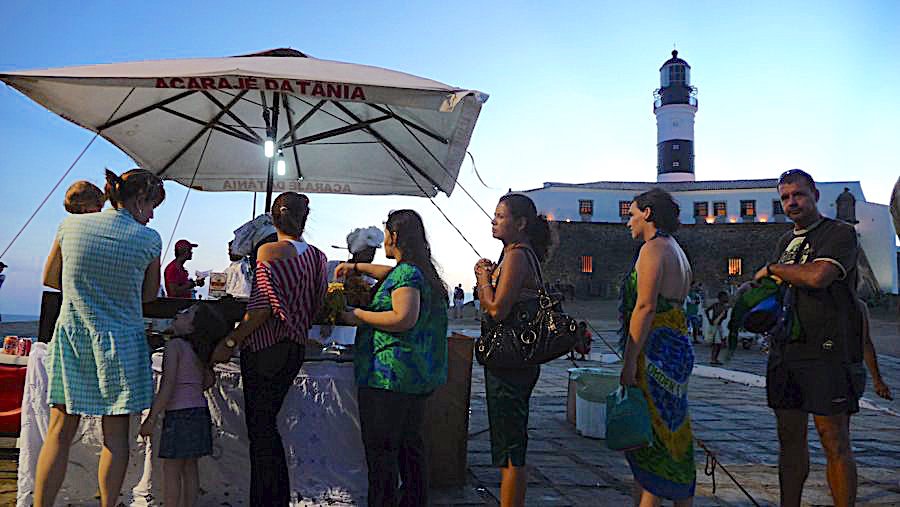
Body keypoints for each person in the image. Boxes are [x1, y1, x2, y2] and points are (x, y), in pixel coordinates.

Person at [34, 168, 165, 507]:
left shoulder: (70, 226)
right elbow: (149, 295)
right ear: (139, 199)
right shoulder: (149, 239)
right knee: (115, 438)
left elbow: (51, 278)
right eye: (152, 206)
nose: (151, 215)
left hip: (74, 336)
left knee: (59, 431)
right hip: (121, 342)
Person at [210, 192, 327, 507]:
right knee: (268, 429)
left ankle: (266, 500)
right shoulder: (317, 257)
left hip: (264, 349)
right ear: (304, 218)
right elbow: (318, 304)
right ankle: (275, 498)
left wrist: (230, 341)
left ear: (273, 219)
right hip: (294, 349)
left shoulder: (268, 251)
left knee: (261, 433)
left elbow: (260, 309)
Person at [753, 169, 861, 507]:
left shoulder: (839, 233)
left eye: (798, 194)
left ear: (815, 195)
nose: (791, 202)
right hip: (787, 350)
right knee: (789, 439)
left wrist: (773, 269)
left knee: (834, 439)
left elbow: (818, 275)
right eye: (785, 197)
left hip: (826, 348)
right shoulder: (785, 242)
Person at [336, 209, 448, 507]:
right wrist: (356, 267)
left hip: (390, 378)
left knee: (383, 455)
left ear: (395, 236)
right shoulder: (417, 272)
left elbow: (403, 317)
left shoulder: (409, 273)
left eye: (386, 233)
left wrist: (358, 315)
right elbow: (392, 276)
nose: (384, 239)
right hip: (413, 378)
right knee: (410, 449)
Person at [620, 188, 696, 505]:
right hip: (677, 347)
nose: (628, 222)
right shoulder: (678, 251)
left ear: (648, 213)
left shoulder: (652, 250)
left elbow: (645, 308)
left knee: (653, 441)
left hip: (655, 350)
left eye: (632, 214)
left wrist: (628, 363)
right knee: (674, 430)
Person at [473, 193, 549, 507]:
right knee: (509, 441)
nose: (494, 220)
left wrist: (482, 279)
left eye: (501, 216)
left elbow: (496, 309)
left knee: (510, 448)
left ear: (520, 223)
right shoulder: (517, 254)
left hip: (510, 362)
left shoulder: (517, 255)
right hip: (517, 359)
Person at [139, 302, 229, 507]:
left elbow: (167, 386)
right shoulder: (199, 351)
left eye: (187, 313)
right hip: (199, 413)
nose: (180, 312)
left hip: (179, 416)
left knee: (171, 470)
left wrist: (151, 418)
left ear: (191, 328)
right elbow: (208, 382)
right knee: (190, 468)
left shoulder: (174, 346)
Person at [857, 298, 892, 401]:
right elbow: (866, 343)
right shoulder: (858, 306)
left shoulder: (857, 306)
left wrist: (877, 380)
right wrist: (877, 380)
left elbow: (866, 343)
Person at [705, 291, 729, 365]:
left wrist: (724, 313)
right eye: (723, 297)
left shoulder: (725, 307)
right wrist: (709, 319)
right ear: (719, 298)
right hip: (714, 326)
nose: (724, 298)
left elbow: (725, 317)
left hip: (719, 326)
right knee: (716, 344)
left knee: (719, 344)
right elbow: (706, 311)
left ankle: (715, 358)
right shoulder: (715, 305)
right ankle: (713, 359)